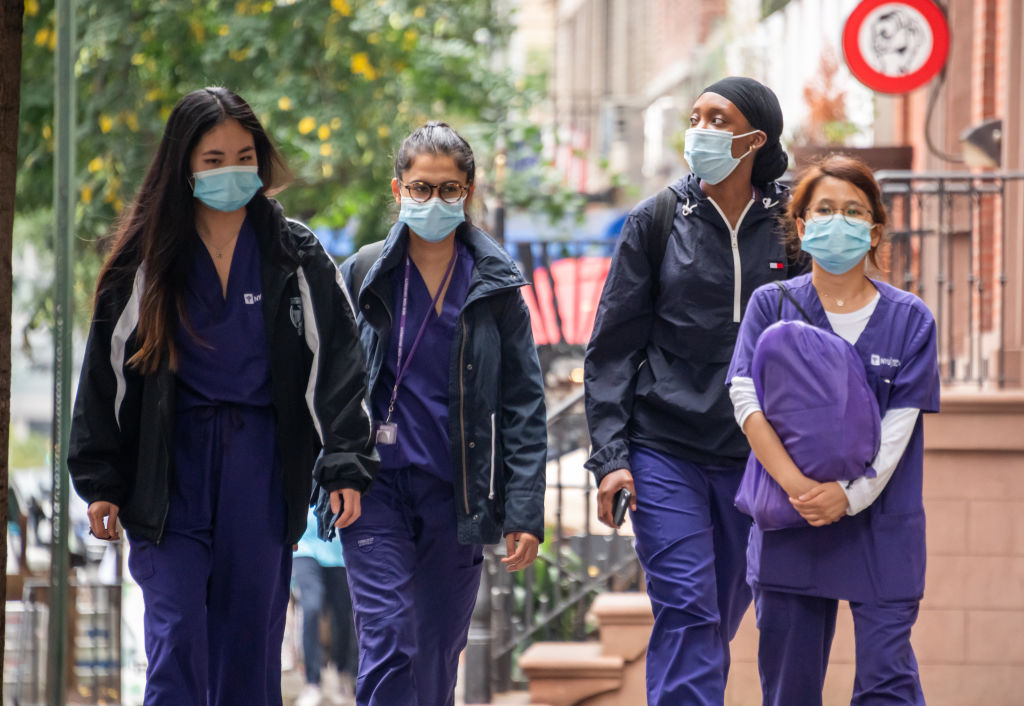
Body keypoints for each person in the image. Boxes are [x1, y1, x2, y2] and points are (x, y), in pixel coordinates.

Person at [67, 87, 377, 706]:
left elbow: (339, 361)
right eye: (213, 159)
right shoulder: (146, 259)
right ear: (183, 165)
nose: (232, 171)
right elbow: (107, 375)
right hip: (167, 470)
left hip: (259, 469)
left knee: (249, 650)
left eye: (244, 156)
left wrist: (345, 461)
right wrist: (100, 477)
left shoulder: (294, 253)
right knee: (176, 639)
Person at [584, 76, 807, 705]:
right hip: (665, 447)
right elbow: (612, 348)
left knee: (721, 610)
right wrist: (611, 458)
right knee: (686, 604)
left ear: (755, 139)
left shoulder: (792, 224)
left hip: (758, 455)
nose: (701, 129)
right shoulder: (656, 219)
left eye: (718, 118)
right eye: (696, 116)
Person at [332, 121, 547, 706]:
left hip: (456, 496)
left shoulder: (495, 285)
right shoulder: (363, 274)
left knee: (434, 658)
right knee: (389, 639)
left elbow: (524, 403)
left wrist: (524, 510)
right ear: (398, 190)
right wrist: (338, 469)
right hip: (375, 491)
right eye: (421, 189)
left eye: (449, 189)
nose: (434, 201)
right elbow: (332, 385)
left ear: (468, 192)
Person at [726, 155, 940, 706]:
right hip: (791, 523)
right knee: (790, 689)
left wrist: (849, 496)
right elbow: (745, 400)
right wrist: (801, 490)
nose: (837, 220)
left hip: (880, 526)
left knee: (888, 682)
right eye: (824, 209)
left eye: (853, 211)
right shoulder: (770, 305)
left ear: (873, 230)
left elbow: (899, 426)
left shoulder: (911, 318)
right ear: (801, 225)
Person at [293, 506, 358, 706]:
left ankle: (342, 673)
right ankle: (313, 682)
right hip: (304, 545)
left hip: (337, 549)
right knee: (311, 606)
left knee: (343, 615)